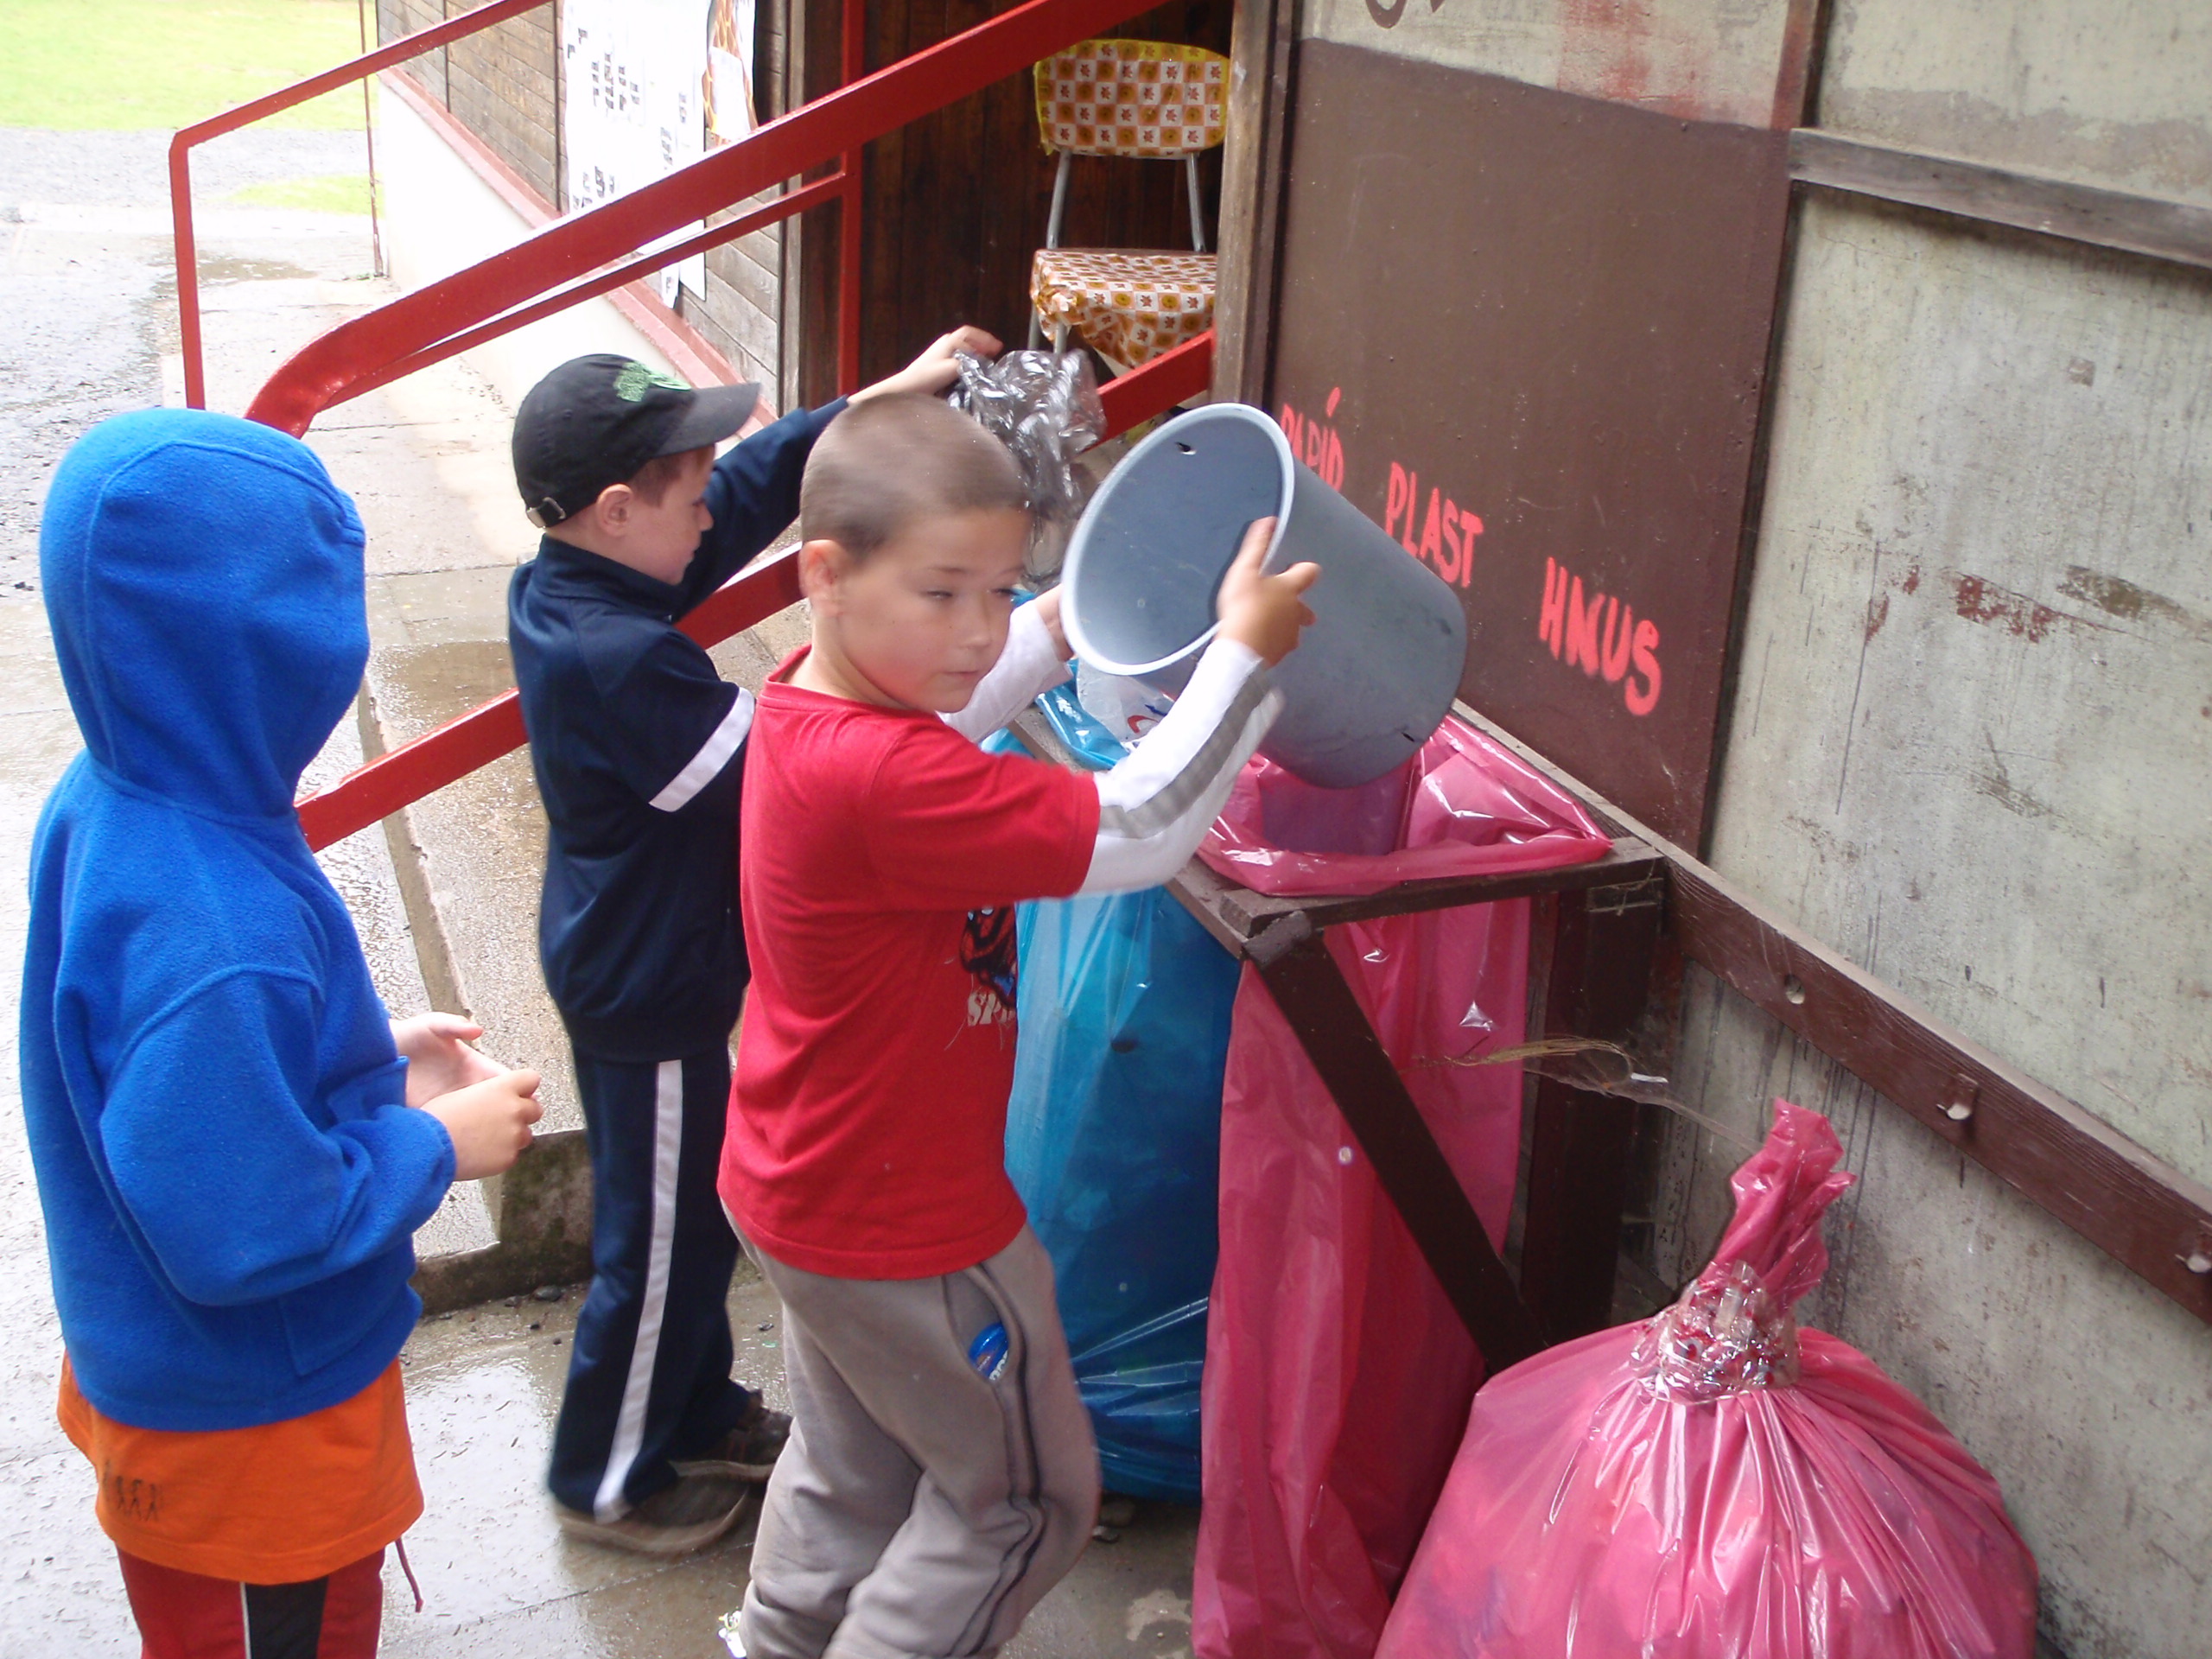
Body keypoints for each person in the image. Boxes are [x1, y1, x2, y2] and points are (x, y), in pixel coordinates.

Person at [721, 392, 1319, 1657]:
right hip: (912, 1230)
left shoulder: (818, 704)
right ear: (825, 574)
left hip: (803, 1190)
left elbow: (957, 697)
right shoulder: (882, 776)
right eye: (943, 592)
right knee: (1019, 1506)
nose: (975, 628)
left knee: (854, 1476)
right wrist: (1244, 659)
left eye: (998, 591)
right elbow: (1137, 828)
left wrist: (1064, 613)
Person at [22, 409, 544, 1659]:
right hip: (250, 1426)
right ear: (277, 654)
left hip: (175, 1370)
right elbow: (241, 1226)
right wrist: (436, 1145)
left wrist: (356, 1050)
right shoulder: (222, 929)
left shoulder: (117, 794)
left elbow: (157, 1062)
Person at [507, 333, 998, 1554]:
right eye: (686, 490)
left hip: (648, 961)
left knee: (690, 1222)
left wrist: (865, 405)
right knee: (659, 1245)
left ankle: (695, 1409)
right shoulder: (615, 661)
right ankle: (605, 1480)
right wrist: (914, 655)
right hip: (649, 992)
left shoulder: (584, 577)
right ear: (618, 510)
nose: (710, 512)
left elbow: (740, 491)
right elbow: (789, 762)